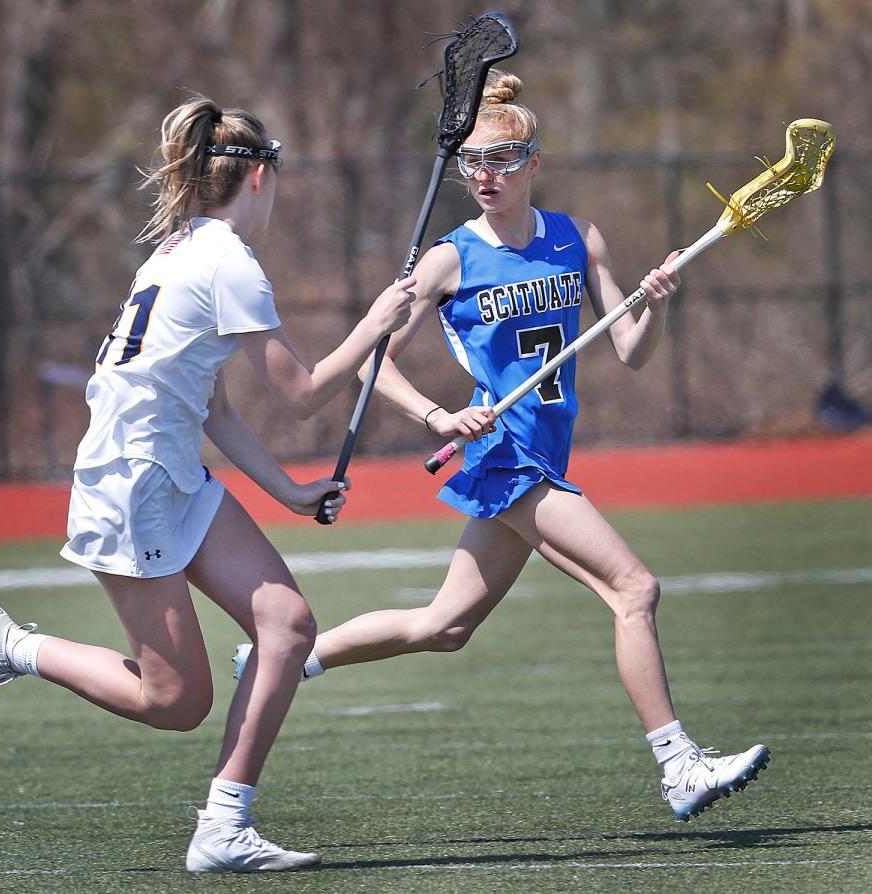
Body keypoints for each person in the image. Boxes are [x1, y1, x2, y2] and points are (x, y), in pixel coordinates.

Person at [234, 70, 771, 822]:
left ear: (534, 163)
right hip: (504, 454)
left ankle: (280, 662)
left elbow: (630, 352)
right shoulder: (450, 258)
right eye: (473, 163)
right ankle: (678, 765)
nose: (485, 175)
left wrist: (653, 305)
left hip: (544, 453)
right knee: (635, 590)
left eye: (502, 160)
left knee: (444, 627)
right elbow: (373, 361)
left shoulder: (577, 238)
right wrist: (436, 417)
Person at [0, 94, 416, 873]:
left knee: (289, 626)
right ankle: (12, 646)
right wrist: (375, 324)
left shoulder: (182, 247)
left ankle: (223, 828)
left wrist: (289, 492)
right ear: (259, 177)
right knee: (176, 703)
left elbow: (216, 406)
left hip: (170, 474)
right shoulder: (225, 259)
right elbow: (300, 395)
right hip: (131, 485)